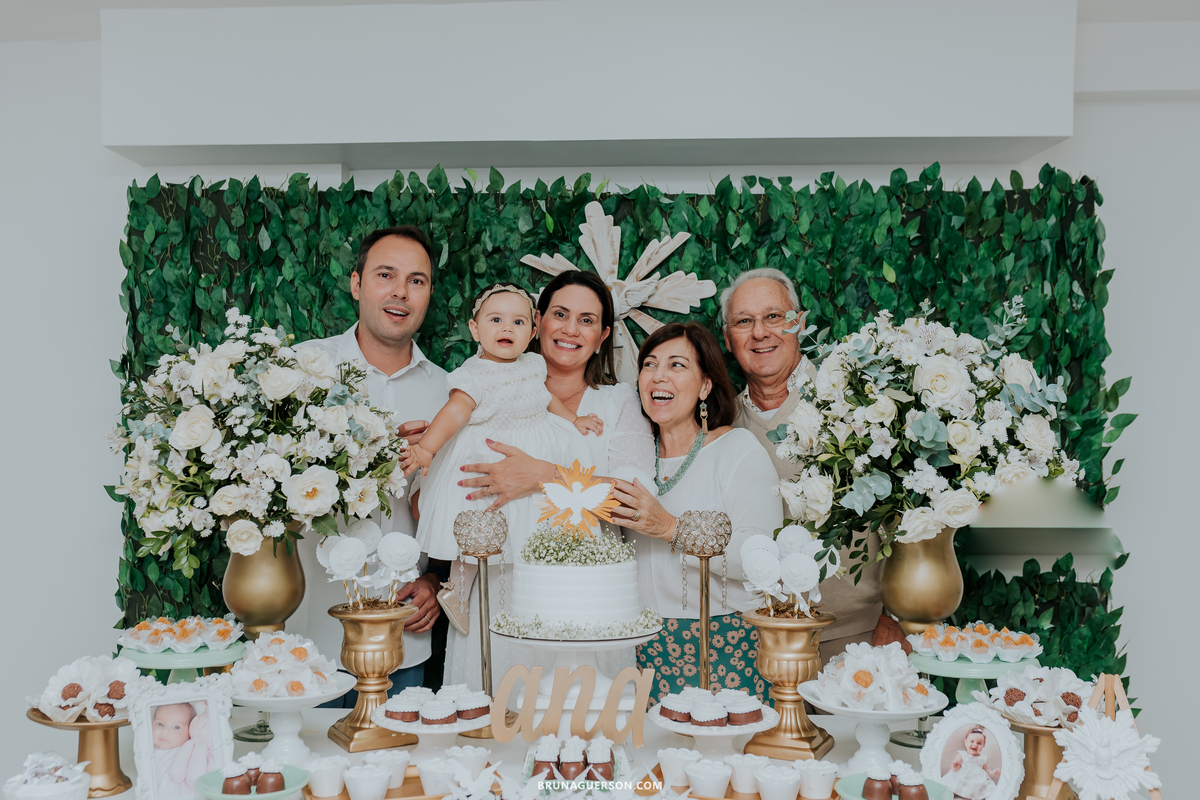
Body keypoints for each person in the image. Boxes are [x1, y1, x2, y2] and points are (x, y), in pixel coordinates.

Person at [446, 270, 656, 687]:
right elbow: (439, 494)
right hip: (498, 584)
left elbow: (634, 503)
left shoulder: (617, 403)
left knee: (582, 721)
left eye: (587, 320)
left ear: (603, 335)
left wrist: (544, 476)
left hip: (586, 590)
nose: (570, 329)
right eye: (560, 314)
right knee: (494, 717)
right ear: (537, 321)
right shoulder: (486, 390)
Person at [404, 283, 603, 691]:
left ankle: (532, 584)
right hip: (486, 455)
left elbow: (546, 399)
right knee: (479, 522)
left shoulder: (532, 366)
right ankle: (458, 590)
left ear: (532, 332)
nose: (506, 328)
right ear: (475, 330)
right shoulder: (474, 374)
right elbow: (454, 413)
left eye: (517, 321)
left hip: (534, 448)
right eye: (495, 320)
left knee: (528, 522)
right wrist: (426, 449)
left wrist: (573, 421)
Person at [297, 225, 448, 699]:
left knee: (394, 772)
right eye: (386, 275)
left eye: (417, 280)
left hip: (403, 640)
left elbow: (460, 507)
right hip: (304, 639)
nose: (400, 292)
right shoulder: (300, 370)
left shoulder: (450, 393)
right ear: (357, 284)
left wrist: (435, 580)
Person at [608, 322, 783, 703]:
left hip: (724, 645)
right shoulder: (628, 458)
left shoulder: (737, 449)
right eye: (650, 364)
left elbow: (764, 562)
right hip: (639, 650)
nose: (659, 376)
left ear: (705, 386)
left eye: (676, 365)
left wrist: (671, 527)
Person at [720, 268, 882, 660]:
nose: (760, 332)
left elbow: (909, 513)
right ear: (728, 339)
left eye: (774, 316)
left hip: (856, 637)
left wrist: (897, 617)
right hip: (756, 644)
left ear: (800, 322)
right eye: (744, 321)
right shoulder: (720, 424)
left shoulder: (856, 402)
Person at [152, 702, 212, 798]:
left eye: (176, 727)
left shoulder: (190, 750)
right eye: (159, 724)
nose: (165, 731)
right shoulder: (147, 751)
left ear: (189, 731)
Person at [942, 727, 1000, 799]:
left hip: (977, 781)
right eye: (972, 741)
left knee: (988, 787)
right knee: (954, 784)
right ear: (965, 742)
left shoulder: (983, 758)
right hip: (963, 777)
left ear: (983, 746)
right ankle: (949, 794)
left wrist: (993, 773)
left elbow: (987, 771)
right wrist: (955, 766)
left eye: (979, 743)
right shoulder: (962, 754)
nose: (975, 745)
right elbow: (954, 769)